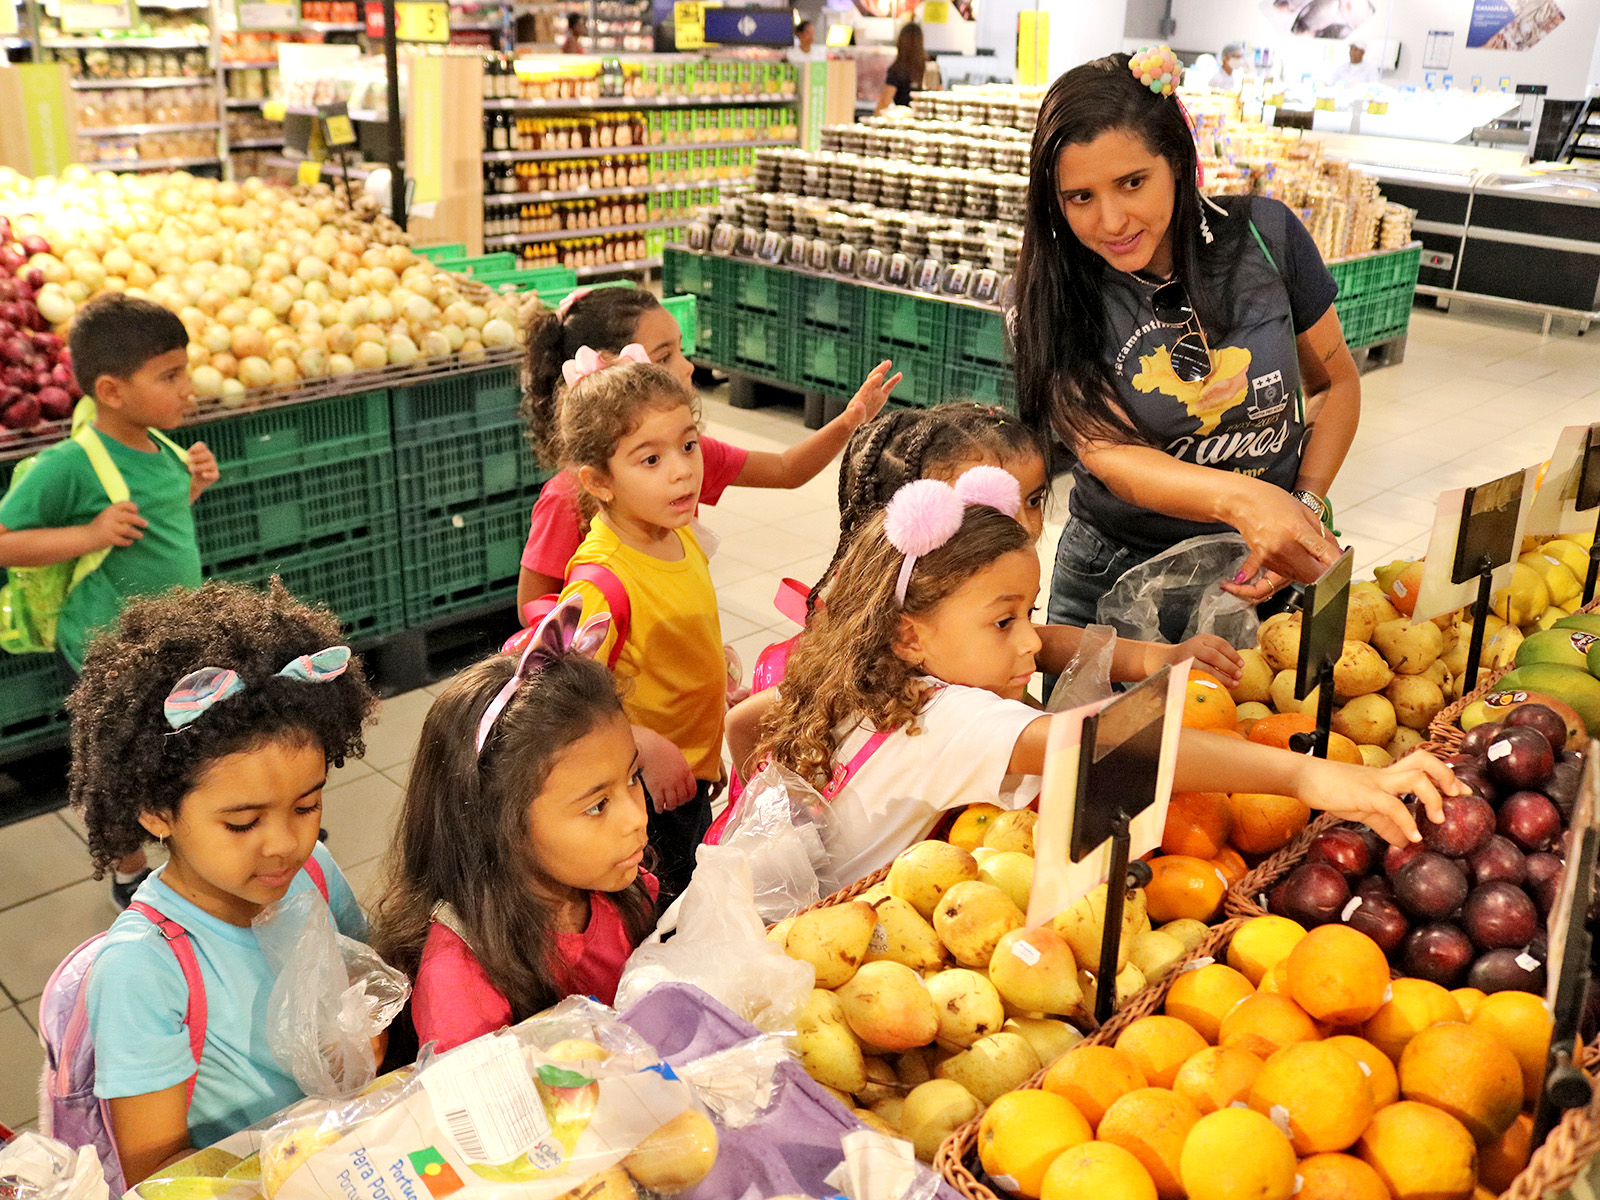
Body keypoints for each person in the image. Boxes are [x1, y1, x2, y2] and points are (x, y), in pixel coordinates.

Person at [736, 470, 1459, 886]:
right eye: (1003, 622)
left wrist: (1148, 659)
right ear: (909, 634)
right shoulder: (951, 718)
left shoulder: (858, 673)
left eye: (1029, 613)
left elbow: (741, 723)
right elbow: (1113, 745)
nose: (1030, 640)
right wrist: (1305, 776)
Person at [1011, 48, 1359, 641]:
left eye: (1132, 183)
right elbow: (1112, 454)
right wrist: (1248, 501)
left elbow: (1336, 382)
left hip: (1266, 566)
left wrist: (1304, 507)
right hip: (1115, 576)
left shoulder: (1267, 237)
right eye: (1080, 197)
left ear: (1175, 160)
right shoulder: (1052, 293)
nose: (1112, 221)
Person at [68, 581, 377, 1185]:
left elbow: (364, 979)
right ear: (157, 811)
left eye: (307, 806)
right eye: (243, 823)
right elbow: (160, 1177)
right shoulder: (143, 972)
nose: (284, 844)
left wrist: (367, 1039)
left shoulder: (315, 870)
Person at [0, 293, 220, 908]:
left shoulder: (164, 448)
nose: (188, 387)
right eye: (169, 375)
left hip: (174, 642)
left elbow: (153, 525)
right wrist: (89, 535)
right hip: (107, 655)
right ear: (112, 391)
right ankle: (128, 870)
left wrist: (193, 485)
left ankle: (196, 848)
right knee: (112, 769)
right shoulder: (70, 465)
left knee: (179, 753)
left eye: (185, 370)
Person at [371, 596, 656, 1054]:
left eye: (633, 778)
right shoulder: (461, 979)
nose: (637, 818)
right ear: (500, 824)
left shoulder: (618, 891)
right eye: (597, 805)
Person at [518, 286, 898, 607]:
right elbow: (532, 606)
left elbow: (786, 469)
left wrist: (850, 420)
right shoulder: (566, 499)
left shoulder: (690, 453)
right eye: (664, 356)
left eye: (681, 350)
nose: (687, 367)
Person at [811, 402, 1242, 685]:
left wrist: (1159, 658)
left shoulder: (983, 586)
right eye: (985, 504)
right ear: (917, 516)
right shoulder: (879, 644)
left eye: (1033, 500)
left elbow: (1045, 643)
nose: (1017, 522)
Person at [551, 358, 724, 906]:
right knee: (663, 913)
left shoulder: (680, 533)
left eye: (689, 445)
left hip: (691, 772)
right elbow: (565, 697)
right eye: (651, 459)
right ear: (599, 482)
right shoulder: (600, 581)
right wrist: (642, 744)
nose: (682, 471)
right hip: (645, 796)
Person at [876, 22, 926, 113]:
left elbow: (886, 100)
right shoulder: (929, 66)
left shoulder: (897, 69)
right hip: (926, 116)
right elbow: (939, 90)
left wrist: (875, 116)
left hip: (905, 118)